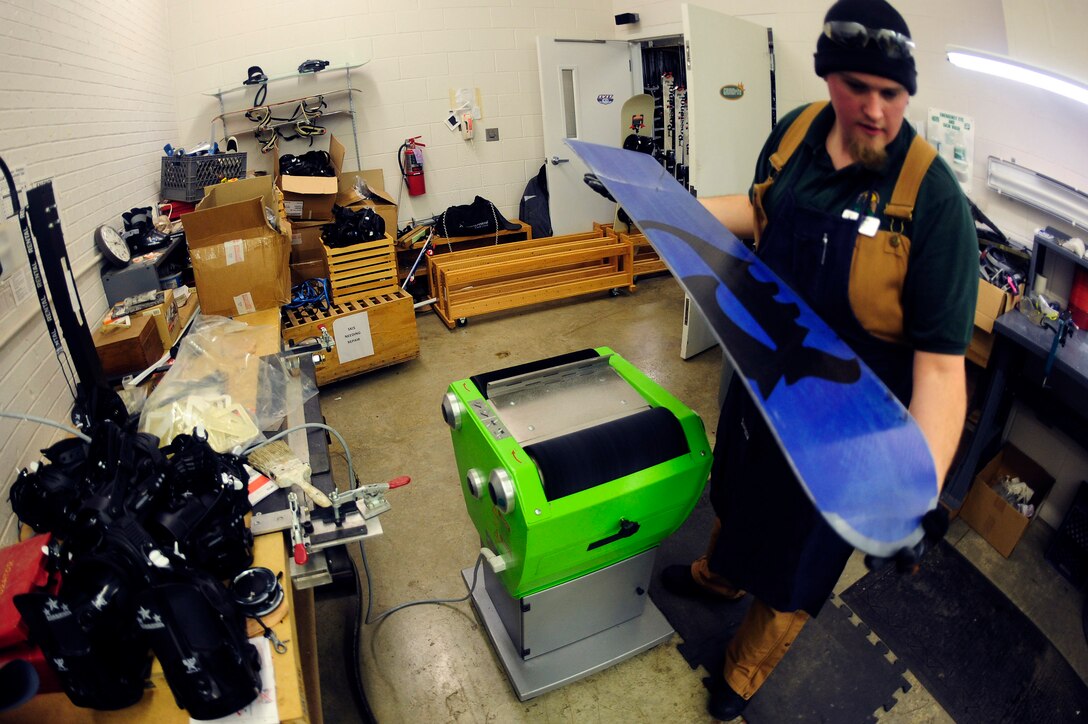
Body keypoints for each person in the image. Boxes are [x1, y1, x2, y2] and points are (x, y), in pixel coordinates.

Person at [659, 0, 979, 720]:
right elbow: (757, 210)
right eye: (856, 88)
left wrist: (913, 491)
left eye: (892, 94)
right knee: (737, 493)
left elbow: (940, 373)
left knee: (797, 556)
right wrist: (664, 206)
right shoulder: (797, 132)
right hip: (761, 380)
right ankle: (718, 576)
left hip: (846, 427)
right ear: (828, 76)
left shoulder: (933, 205)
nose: (873, 111)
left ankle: (743, 668)